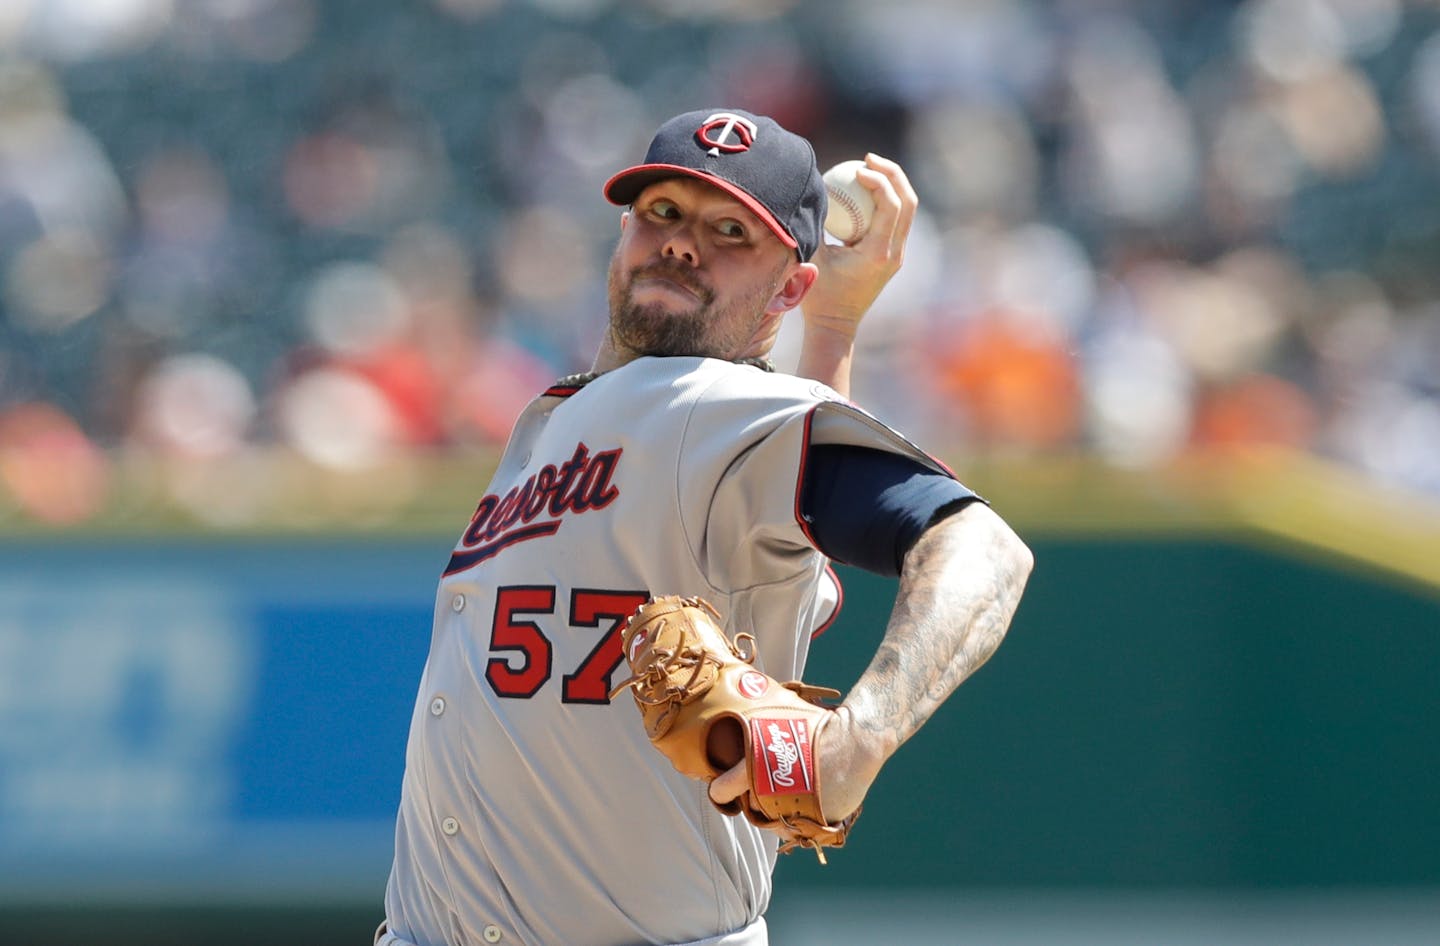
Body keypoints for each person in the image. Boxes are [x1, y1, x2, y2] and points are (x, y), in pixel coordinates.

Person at [377, 107, 1033, 946]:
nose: (684, 244)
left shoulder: (716, 409)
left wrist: (859, 740)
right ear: (623, 234)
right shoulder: (567, 419)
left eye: (731, 231)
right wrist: (829, 330)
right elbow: (788, 547)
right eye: (664, 214)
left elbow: (985, 550)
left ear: (787, 288)